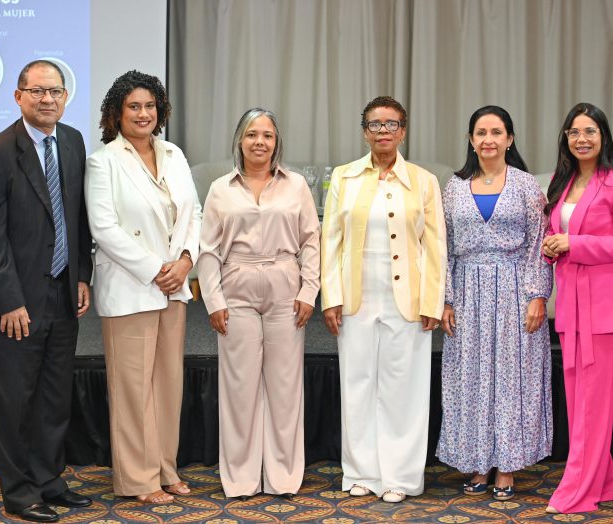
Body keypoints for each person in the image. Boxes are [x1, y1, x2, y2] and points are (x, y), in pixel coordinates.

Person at [0, 60, 93, 522]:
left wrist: (80, 274)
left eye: (56, 91)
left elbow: (76, 219)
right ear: (18, 96)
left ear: (66, 97)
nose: (48, 100)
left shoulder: (73, 142)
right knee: (15, 399)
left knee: (52, 395)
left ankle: (48, 480)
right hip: (15, 302)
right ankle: (19, 492)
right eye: (38, 91)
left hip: (61, 294)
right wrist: (9, 300)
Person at [321, 96, 446, 503]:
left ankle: (400, 477)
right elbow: (330, 242)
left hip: (407, 300)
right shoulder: (343, 177)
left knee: (403, 389)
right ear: (364, 131)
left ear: (403, 130)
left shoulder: (424, 181)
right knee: (357, 385)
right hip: (357, 297)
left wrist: (432, 300)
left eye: (391, 124)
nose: (383, 132)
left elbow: (434, 246)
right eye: (375, 125)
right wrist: (331, 297)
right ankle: (361, 472)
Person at [85, 71, 202, 504]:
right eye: (134, 106)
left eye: (150, 106)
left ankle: (165, 468)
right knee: (133, 388)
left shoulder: (174, 153)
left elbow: (196, 214)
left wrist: (186, 261)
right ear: (117, 113)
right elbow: (104, 228)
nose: (143, 113)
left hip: (174, 287)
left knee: (167, 385)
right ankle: (138, 479)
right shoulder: (104, 161)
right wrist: (158, 269)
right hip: (134, 286)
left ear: (160, 111)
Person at [197, 108, 320, 499]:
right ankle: (240, 479)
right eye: (252, 134)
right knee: (239, 388)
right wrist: (213, 299)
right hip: (237, 289)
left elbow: (311, 241)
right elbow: (208, 250)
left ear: (276, 142)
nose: (259, 142)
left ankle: (283, 477)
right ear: (239, 140)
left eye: (267, 135)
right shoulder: (221, 189)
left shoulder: (296, 185)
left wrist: (309, 292)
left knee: (284, 386)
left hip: (286, 286)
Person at [436, 105, 552, 500]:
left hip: (515, 291)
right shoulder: (453, 186)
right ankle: (475, 460)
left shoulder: (525, 185)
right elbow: (444, 247)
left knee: (511, 379)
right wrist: (446, 300)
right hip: (467, 292)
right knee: (468, 377)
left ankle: (507, 464)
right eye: (481, 132)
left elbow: (539, 244)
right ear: (471, 139)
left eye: (497, 132)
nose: (488, 139)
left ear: (510, 139)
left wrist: (538, 295)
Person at [541, 103, 613, 514]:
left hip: (601, 307)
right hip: (570, 307)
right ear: (565, 138)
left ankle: (577, 490)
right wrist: (551, 247)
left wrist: (573, 245)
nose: (582, 138)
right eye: (574, 132)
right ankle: (599, 483)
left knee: (594, 404)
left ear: (603, 136)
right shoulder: (560, 184)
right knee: (580, 399)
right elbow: (556, 237)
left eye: (590, 131)